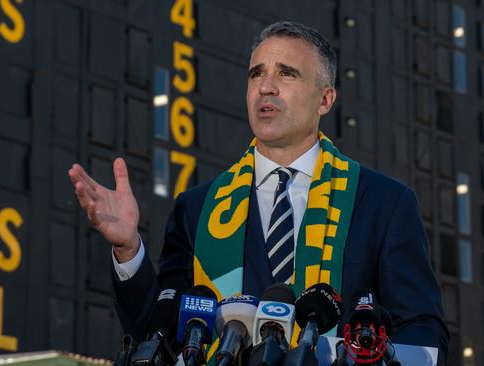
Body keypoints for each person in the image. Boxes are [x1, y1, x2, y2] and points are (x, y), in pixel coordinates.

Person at [69, 21, 449, 364]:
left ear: (325, 100)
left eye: (286, 73)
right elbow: (157, 335)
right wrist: (128, 249)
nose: (266, 86)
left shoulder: (384, 202)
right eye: (256, 74)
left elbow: (422, 331)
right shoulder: (198, 208)